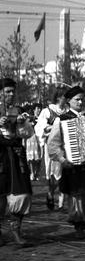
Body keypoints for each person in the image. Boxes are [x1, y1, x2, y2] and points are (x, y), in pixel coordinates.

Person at [47, 86, 85, 238]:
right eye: (77, 99)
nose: (80, 102)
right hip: (73, 165)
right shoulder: (62, 119)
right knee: (76, 196)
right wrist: (61, 158)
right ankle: (79, 224)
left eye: (82, 99)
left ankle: (84, 218)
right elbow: (53, 144)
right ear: (68, 101)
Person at [0, 78, 34, 246]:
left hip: (16, 155)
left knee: (22, 193)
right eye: (7, 91)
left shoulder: (19, 110)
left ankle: (16, 230)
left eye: (13, 91)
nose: (11, 94)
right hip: (0, 156)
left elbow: (28, 134)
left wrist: (21, 124)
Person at [35, 86, 69, 211]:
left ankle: (61, 202)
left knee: (64, 173)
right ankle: (50, 193)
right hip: (52, 146)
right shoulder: (47, 111)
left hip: (65, 146)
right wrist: (51, 128)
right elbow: (40, 127)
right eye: (66, 96)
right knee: (52, 175)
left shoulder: (68, 110)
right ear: (59, 97)